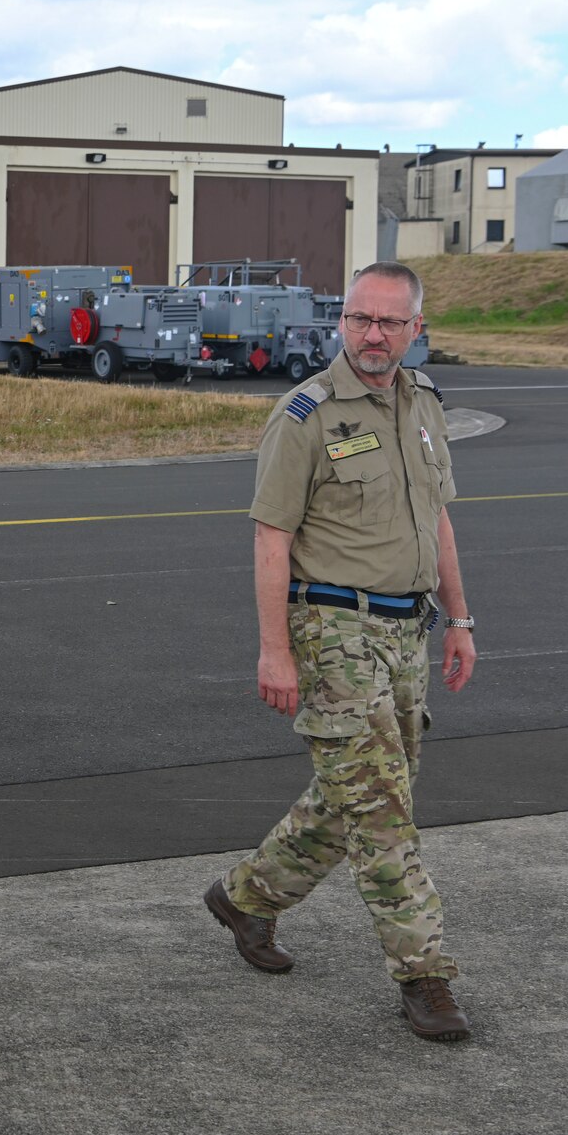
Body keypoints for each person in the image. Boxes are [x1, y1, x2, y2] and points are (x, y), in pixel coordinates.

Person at [205, 260, 478, 1042]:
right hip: (333, 632)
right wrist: (272, 650)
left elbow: (440, 521)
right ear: (341, 320)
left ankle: (247, 897)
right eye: (360, 318)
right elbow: (269, 538)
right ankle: (425, 977)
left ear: (415, 330)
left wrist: (461, 620)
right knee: (384, 813)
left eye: (391, 322)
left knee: (354, 794)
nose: (373, 334)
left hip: (407, 632)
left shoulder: (422, 404)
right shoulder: (306, 416)